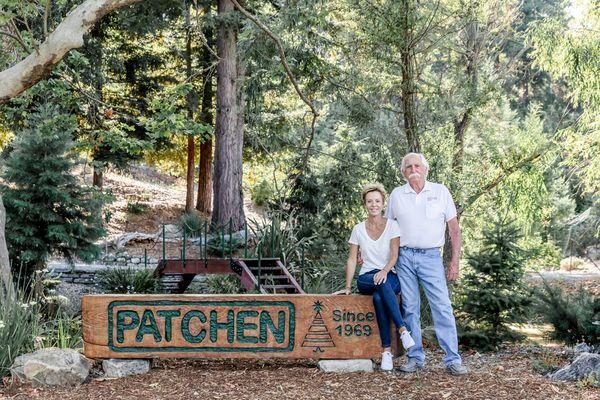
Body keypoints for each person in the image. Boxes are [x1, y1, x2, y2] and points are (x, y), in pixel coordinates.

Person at [386, 152, 467, 375]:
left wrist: (455, 262)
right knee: (410, 308)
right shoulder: (397, 195)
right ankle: (415, 358)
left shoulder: (440, 192)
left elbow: (454, 230)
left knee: (442, 307)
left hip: (431, 257)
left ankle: (452, 359)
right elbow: (388, 231)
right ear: (403, 172)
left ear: (425, 169)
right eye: (409, 167)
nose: (414, 170)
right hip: (404, 257)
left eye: (417, 166)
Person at [333, 183, 415, 372]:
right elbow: (352, 259)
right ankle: (403, 330)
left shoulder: (393, 226)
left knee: (380, 296)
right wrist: (347, 286)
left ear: (383, 203)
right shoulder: (358, 229)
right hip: (366, 278)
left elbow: (394, 256)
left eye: (377, 201)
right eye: (370, 201)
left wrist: (384, 271)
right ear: (365, 204)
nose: (374, 205)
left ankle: (386, 352)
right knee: (378, 284)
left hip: (389, 275)